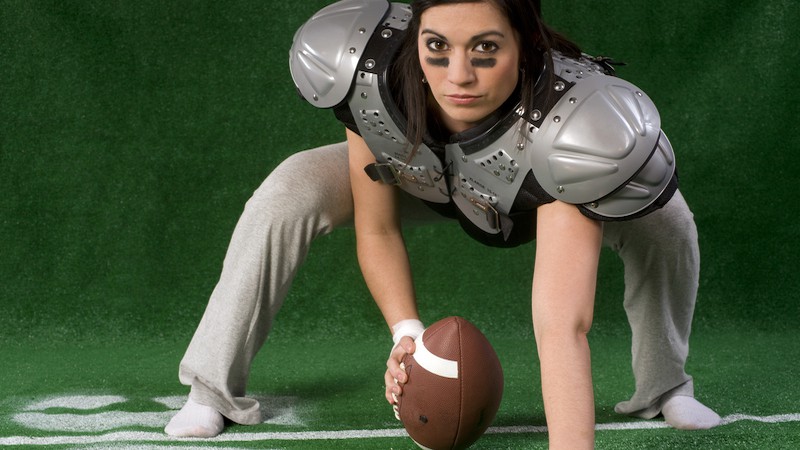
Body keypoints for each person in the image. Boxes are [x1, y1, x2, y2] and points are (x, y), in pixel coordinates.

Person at [165, 0, 721, 447]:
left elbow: (561, 325)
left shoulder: (568, 126)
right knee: (291, 187)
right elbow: (377, 228)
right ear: (415, 41)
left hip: (533, 188)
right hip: (422, 176)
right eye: (437, 48)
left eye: (485, 48)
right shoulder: (371, 75)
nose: (459, 76)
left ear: (525, 46)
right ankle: (212, 391)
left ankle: (664, 385)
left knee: (666, 221)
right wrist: (407, 335)